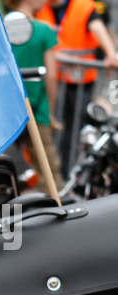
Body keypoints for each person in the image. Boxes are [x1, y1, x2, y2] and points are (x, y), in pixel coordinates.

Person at [36, 0, 118, 179]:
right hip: (52, 82)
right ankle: (54, 175)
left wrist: (111, 54)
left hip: (80, 82)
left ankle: (69, 174)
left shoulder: (83, 6)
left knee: (74, 131)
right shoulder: (39, 7)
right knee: (52, 129)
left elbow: (98, 27)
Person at [5, 0, 64, 193]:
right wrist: (52, 113)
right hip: (38, 109)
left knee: (6, 167)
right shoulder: (43, 30)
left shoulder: (0, 28)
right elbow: (52, 75)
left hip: (7, 111)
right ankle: (57, 211)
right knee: (48, 169)